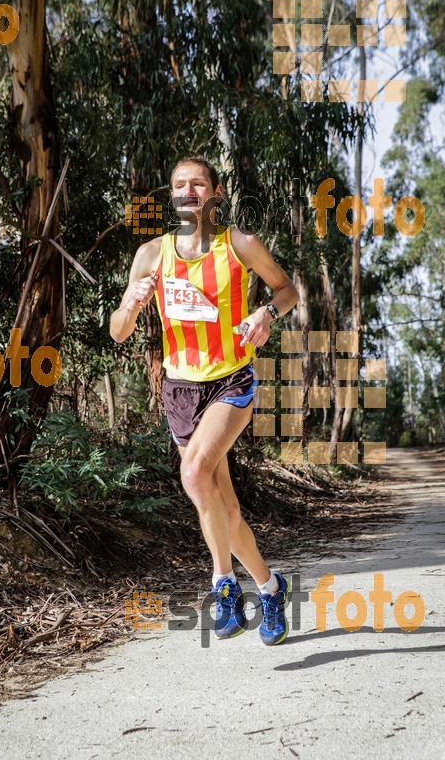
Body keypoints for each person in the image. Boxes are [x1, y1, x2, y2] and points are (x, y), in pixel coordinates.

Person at [110, 156, 299, 646]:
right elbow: (117, 332)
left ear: (214, 192)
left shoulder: (240, 245)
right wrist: (130, 302)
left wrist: (265, 315)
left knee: (193, 474)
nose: (188, 190)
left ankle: (222, 584)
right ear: (172, 195)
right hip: (179, 390)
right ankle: (270, 586)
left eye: (197, 183)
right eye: (179, 184)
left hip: (230, 382)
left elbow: (288, 290)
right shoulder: (151, 254)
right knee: (225, 508)